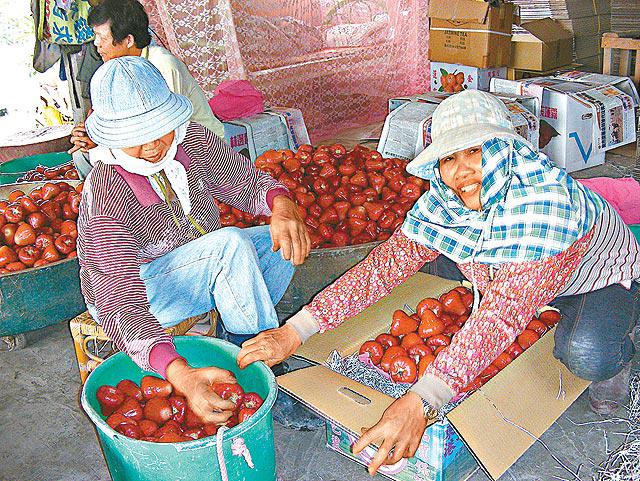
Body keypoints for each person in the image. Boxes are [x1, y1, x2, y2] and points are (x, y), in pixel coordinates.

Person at [237, 90, 640, 474]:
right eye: (449, 158)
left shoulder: (549, 210)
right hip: (513, 278)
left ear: (506, 150)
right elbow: (384, 267)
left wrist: (422, 400)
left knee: (586, 354)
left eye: (475, 151)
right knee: (429, 271)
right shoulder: (445, 202)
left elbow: (500, 316)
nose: (461, 171)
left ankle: (621, 345)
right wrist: (295, 330)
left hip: (591, 279)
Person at [78, 56, 309, 424]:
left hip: (196, 267)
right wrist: (180, 373)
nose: (152, 145)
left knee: (280, 239)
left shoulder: (193, 142)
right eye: (135, 137)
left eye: (160, 129)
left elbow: (247, 184)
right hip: (139, 292)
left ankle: (243, 341)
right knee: (229, 247)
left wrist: (280, 204)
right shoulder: (106, 191)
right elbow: (120, 302)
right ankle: (260, 371)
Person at [69, 0, 224, 155]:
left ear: (129, 40)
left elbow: (164, 128)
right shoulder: (116, 70)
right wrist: (92, 134)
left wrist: (102, 142)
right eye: (96, 36)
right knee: (84, 156)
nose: (97, 44)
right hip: (155, 142)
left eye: (102, 38)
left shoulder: (163, 65)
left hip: (201, 147)